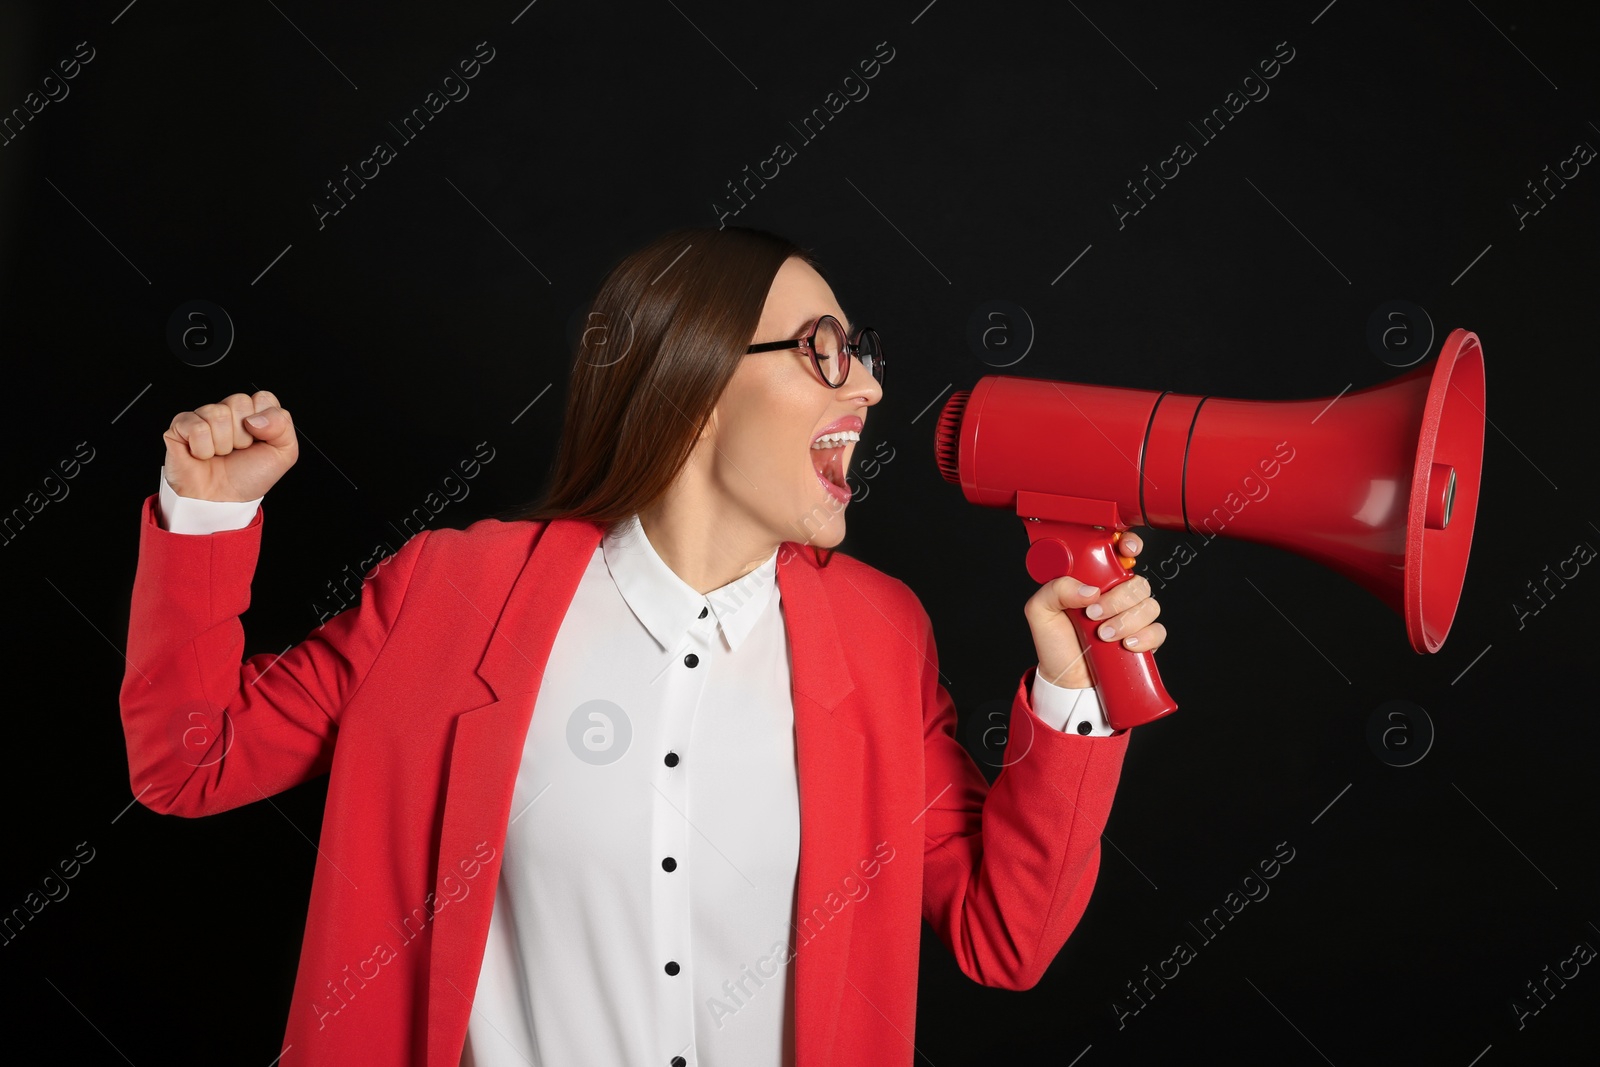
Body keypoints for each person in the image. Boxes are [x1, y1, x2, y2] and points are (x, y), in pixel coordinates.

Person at [120, 226, 1165, 1066]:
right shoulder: (453, 590)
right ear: (694, 382)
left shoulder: (879, 632)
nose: (869, 387)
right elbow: (190, 760)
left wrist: (1070, 693)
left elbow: (1002, 936)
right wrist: (207, 519)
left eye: (863, 355)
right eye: (823, 350)